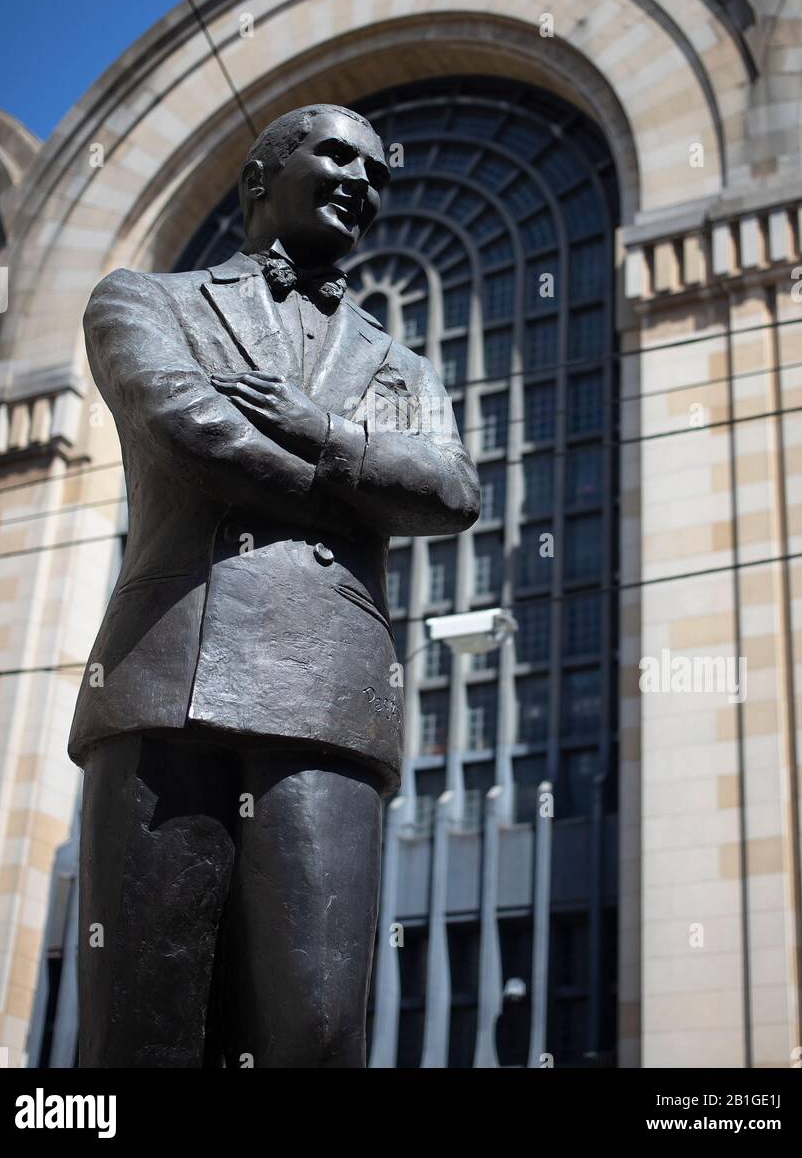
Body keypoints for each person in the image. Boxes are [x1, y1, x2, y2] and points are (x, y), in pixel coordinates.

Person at [69, 103, 480, 1067]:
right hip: (169, 675)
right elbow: (189, 432)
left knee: (319, 1028)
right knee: (143, 1024)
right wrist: (356, 492)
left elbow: (455, 491)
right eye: (337, 156)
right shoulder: (143, 301)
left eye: (378, 172)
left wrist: (323, 431)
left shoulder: (401, 364)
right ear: (260, 175)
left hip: (330, 694)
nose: (361, 182)